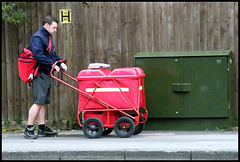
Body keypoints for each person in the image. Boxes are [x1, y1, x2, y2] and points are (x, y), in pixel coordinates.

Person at [23, 16, 67, 139]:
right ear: (46, 25)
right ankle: (29, 128)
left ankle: (42, 128)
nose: (55, 30)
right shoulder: (38, 37)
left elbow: (51, 54)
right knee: (38, 102)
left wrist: (60, 62)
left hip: (46, 73)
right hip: (39, 74)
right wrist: (52, 64)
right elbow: (38, 56)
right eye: (54, 27)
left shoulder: (46, 37)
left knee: (42, 102)